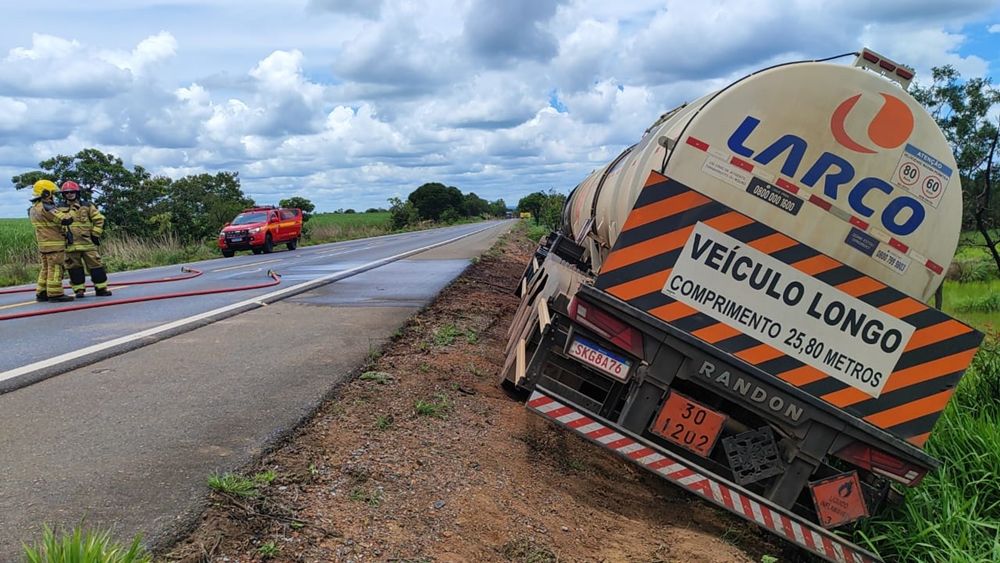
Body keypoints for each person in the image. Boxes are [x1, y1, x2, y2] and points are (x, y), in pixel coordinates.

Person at [58, 181, 112, 298]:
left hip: (87, 243)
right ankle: (79, 290)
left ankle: (101, 288)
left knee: (96, 266)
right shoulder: (59, 208)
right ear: (63, 194)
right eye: (67, 192)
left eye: (72, 192)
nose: (69, 194)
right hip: (70, 245)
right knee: (74, 268)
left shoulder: (87, 206)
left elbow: (99, 219)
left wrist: (95, 234)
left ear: (77, 193)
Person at [28, 179, 74, 302]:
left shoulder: (33, 208)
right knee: (56, 268)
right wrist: (73, 210)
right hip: (54, 245)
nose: (53, 196)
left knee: (46, 269)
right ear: (46, 193)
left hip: (43, 245)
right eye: (52, 193)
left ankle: (42, 293)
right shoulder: (47, 207)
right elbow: (66, 219)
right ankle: (55, 294)